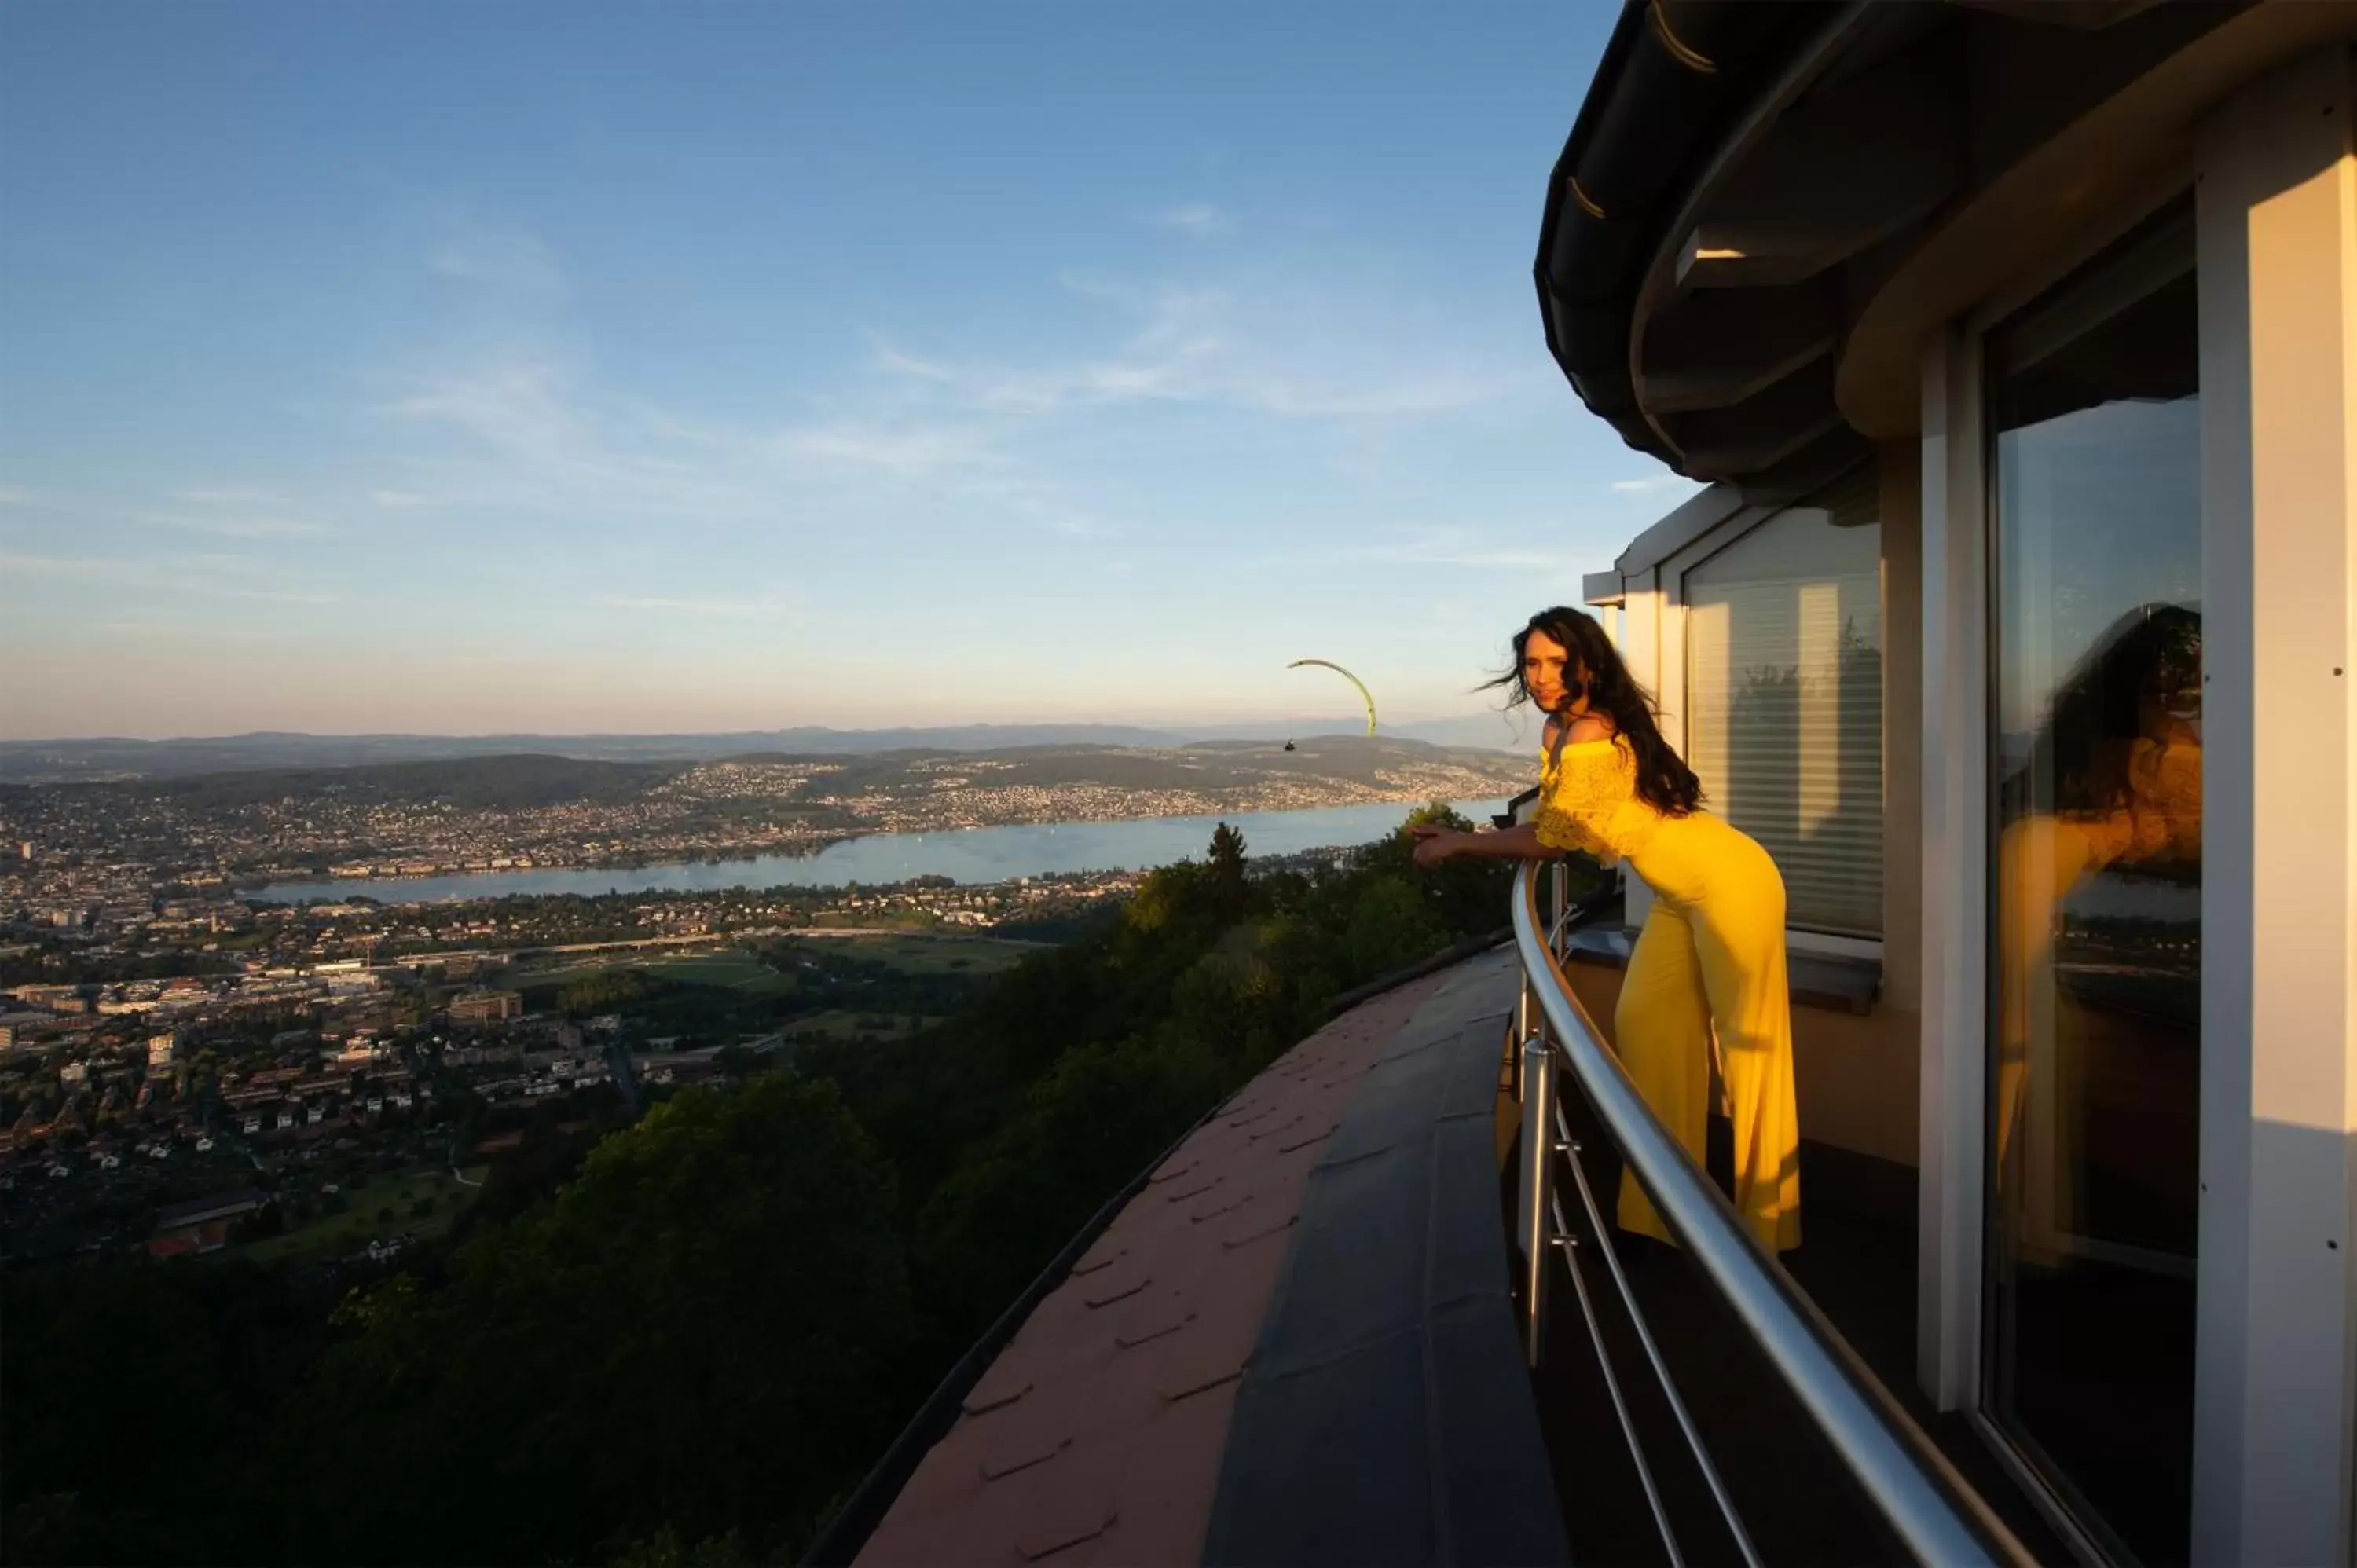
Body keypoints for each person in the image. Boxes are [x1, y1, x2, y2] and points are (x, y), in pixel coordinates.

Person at [1410, 606, 1801, 1253]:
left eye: (1555, 662)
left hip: (1733, 883)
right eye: (1532, 663)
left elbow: (1556, 841)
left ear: (1586, 663)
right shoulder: (1557, 731)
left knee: (1751, 1053)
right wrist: (1469, 836)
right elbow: (1559, 815)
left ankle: (1770, 1232)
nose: (1540, 676)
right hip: (1679, 894)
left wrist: (1458, 845)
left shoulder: (1591, 730)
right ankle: (1667, 1216)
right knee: (1646, 1025)